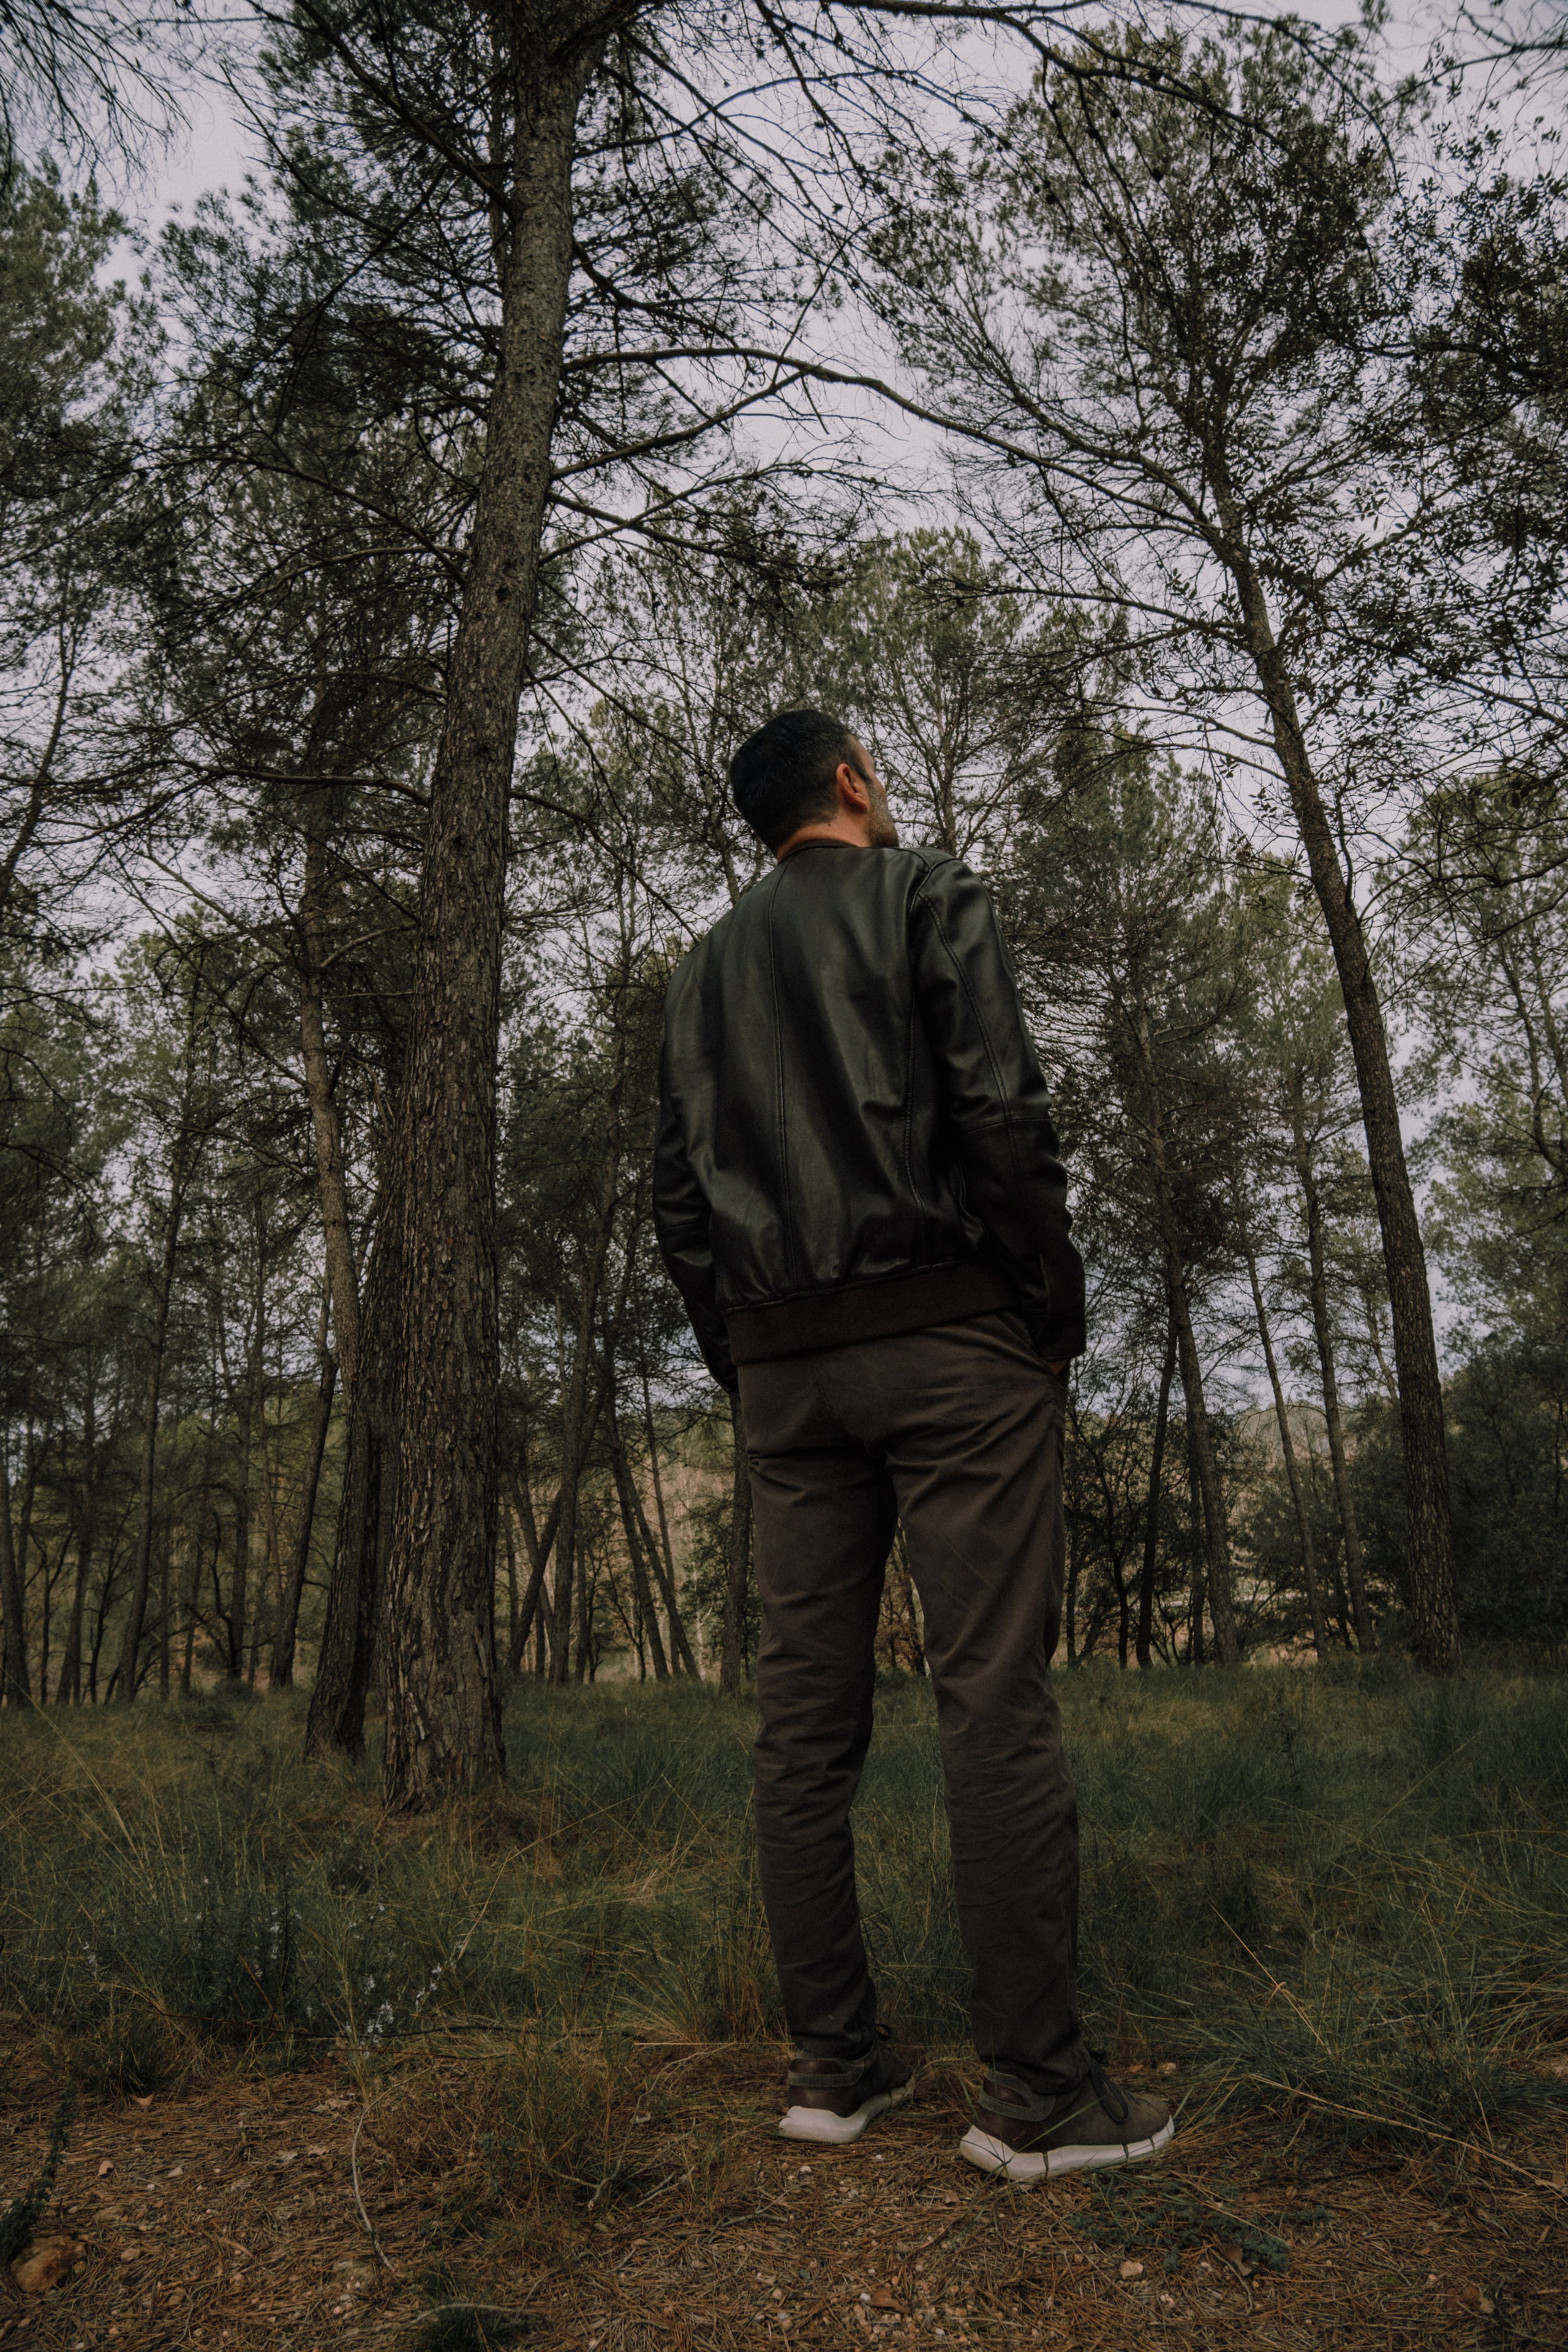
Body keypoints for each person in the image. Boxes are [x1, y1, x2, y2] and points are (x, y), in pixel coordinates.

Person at [653, 707, 1174, 2183]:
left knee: (800, 1721)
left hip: (784, 1381)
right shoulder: (925, 895)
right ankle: (1038, 2102)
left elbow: (676, 1209)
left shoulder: (696, 976)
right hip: (951, 1343)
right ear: (850, 784)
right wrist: (1045, 1308)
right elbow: (1000, 1116)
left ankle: (835, 2069)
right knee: (988, 1700)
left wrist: (751, 1358)